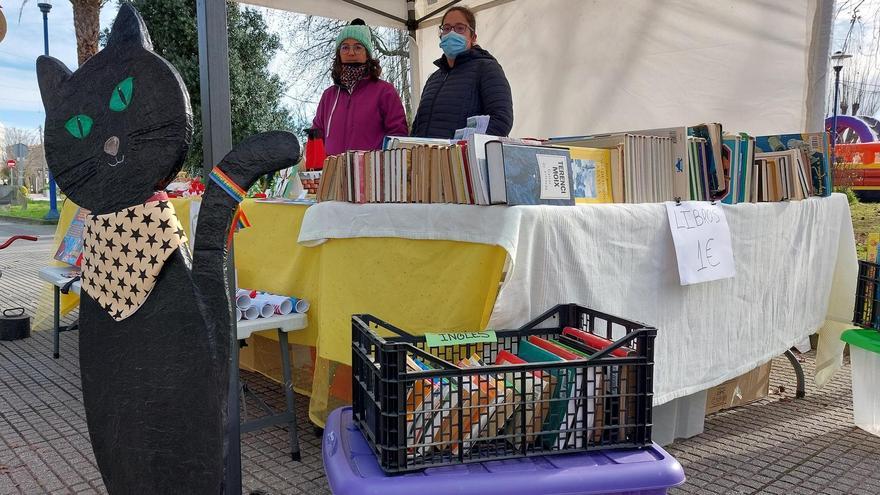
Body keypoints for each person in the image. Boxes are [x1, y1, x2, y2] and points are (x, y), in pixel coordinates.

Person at [411, 6, 513, 138]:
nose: (452, 33)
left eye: (460, 28)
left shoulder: (487, 69)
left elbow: (501, 120)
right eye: (446, 28)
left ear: (473, 37)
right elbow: (418, 124)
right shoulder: (434, 79)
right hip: (427, 157)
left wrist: (465, 150)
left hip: (462, 157)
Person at [311, 19, 408, 155]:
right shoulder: (329, 96)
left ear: (367, 54)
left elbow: (398, 137)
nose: (351, 53)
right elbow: (316, 136)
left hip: (372, 173)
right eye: (345, 47)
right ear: (339, 54)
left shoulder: (385, 91)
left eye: (358, 47)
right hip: (334, 173)